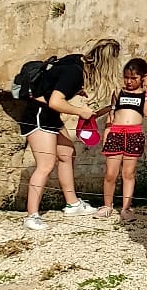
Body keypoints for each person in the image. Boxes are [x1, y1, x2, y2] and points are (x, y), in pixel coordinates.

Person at [19, 38, 119, 231]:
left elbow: (54, 83)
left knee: (67, 153)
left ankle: (72, 204)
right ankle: (31, 215)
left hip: (49, 115)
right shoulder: (75, 72)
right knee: (45, 165)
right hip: (39, 115)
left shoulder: (77, 60)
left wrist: (75, 91)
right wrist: (79, 111)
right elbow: (55, 101)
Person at [100, 55, 147, 222]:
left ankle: (126, 208)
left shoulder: (146, 94)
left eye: (133, 78)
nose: (129, 81)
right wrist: (107, 132)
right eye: (127, 77)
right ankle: (107, 205)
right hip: (116, 133)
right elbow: (112, 113)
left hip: (134, 134)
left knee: (128, 173)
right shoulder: (118, 92)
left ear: (142, 77)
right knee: (110, 173)